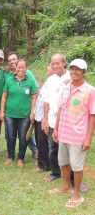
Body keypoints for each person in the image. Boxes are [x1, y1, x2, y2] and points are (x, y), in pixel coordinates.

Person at [49, 59, 95, 208]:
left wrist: (88, 138)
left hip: (78, 135)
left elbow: (92, 115)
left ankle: (77, 194)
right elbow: (61, 109)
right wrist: (56, 129)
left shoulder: (90, 90)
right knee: (63, 162)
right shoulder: (66, 86)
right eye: (72, 68)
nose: (74, 71)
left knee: (77, 166)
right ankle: (66, 186)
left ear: (84, 72)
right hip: (63, 132)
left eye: (78, 69)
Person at [0, 59, 37, 168]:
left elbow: (34, 97)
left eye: (23, 67)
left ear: (26, 68)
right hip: (10, 114)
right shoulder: (9, 80)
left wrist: (32, 113)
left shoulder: (30, 81)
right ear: (15, 68)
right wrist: (2, 111)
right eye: (19, 67)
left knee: (23, 137)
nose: (21, 69)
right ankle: (11, 156)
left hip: (24, 115)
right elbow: (4, 96)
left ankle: (21, 158)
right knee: (10, 137)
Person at [42, 53, 70, 182]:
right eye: (52, 63)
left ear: (64, 63)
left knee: (70, 151)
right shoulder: (50, 80)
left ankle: (73, 179)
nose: (55, 65)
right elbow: (46, 100)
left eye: (57, 63)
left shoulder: (71, 77)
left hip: (68, 122)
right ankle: (55, 172)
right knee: (52, 148)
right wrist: (45, 119)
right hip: (53, 121)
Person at [34, 65, 55, 173]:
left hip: (45, 116)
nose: (48, 67)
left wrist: (45, 117)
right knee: (39, 140)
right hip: (39, 114)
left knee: (44, 141)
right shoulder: (48, 80)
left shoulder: (57, 81)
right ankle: (43, 162)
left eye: (50, 66)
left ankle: (44, 165)